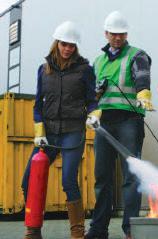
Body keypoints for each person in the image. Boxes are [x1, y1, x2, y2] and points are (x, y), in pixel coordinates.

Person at [21, 21, 97, 239]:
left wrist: (94, 114)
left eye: (72, 45)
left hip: (73, 132)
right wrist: (39, 132)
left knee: (68, 181)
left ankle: (77, 233)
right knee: (28, 181)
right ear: (57, 43)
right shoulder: (43, 70)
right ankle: (33, 230)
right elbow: (38, 104)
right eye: (64, 44)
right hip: (49, 134)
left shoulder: (85, 70)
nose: (68, 49)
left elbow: (92, 101)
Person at [85, 10, 153, 239]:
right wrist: (92, 106)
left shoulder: (137, 54)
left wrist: (143, 93)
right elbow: (91, 94)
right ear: (106, 34)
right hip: (104, 124)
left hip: (129, 121)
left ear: (126, 34)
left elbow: (142, 75)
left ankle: (132, 230)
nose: (118, 37)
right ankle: (98, 229)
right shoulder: (98, 61)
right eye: (113, 34)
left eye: (121, 34)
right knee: (102, 177)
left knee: (131, 176)